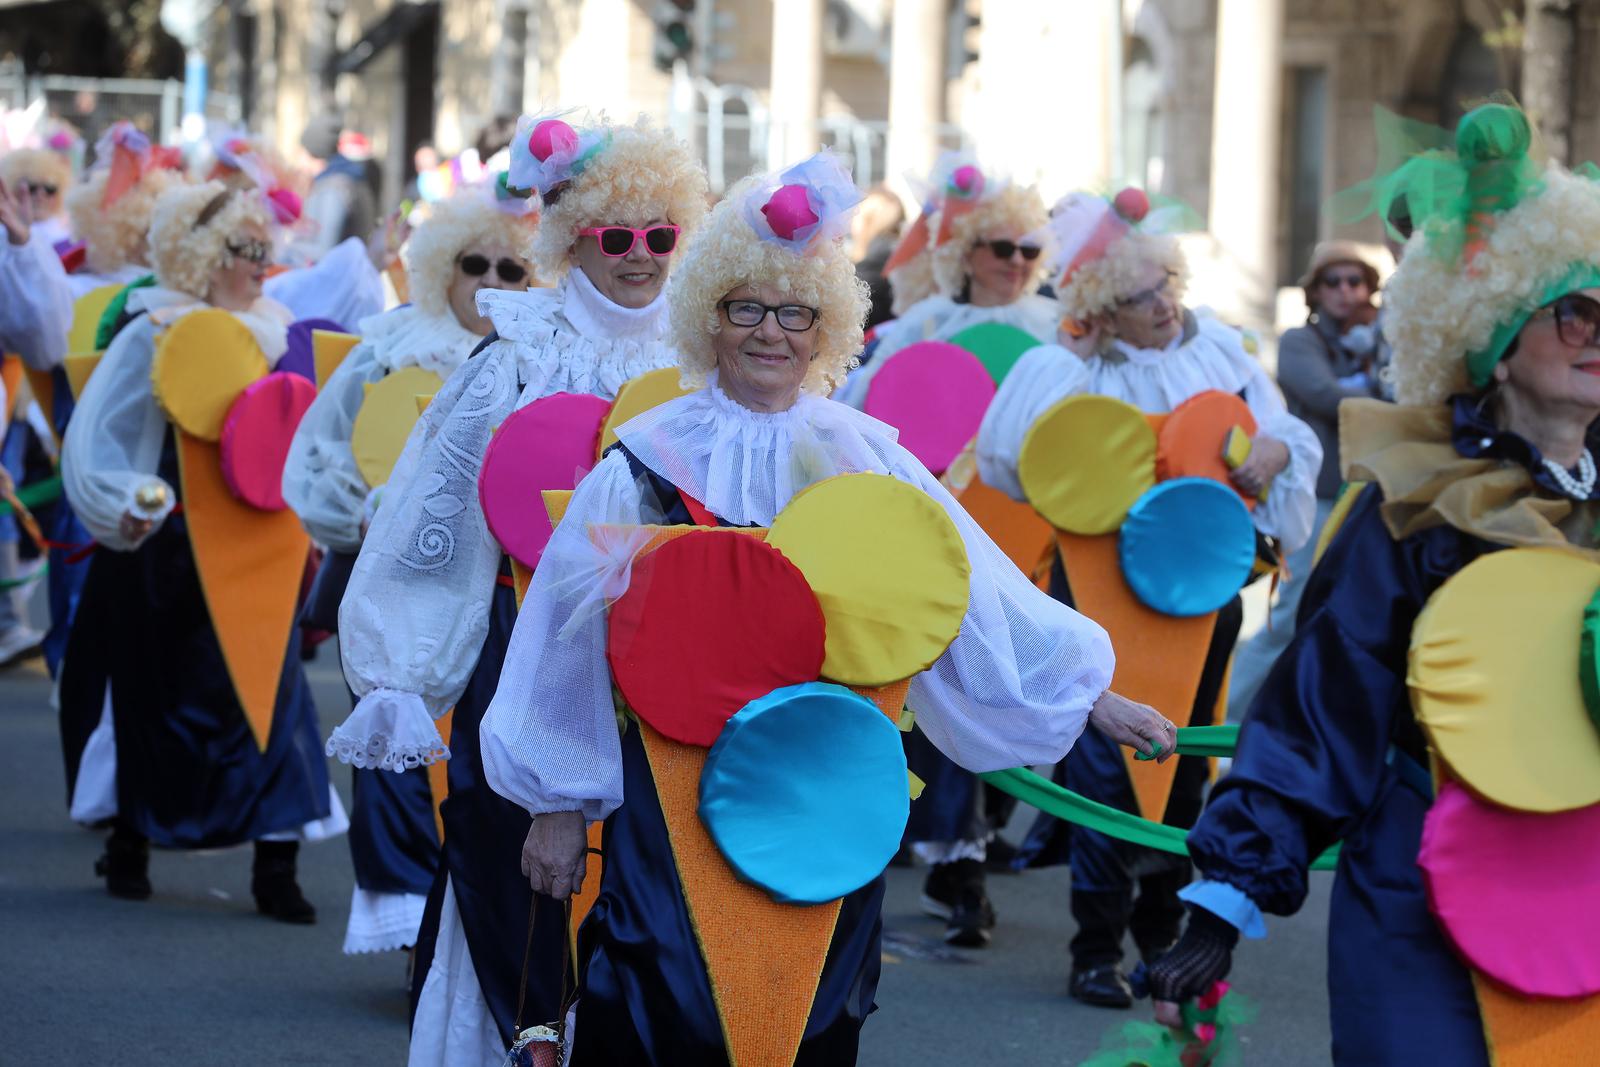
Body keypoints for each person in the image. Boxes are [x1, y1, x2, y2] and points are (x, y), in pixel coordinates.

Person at [476, 150, 1176, 1064]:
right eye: (746, 309)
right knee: (660, 1001)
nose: (770, 332)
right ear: (708, 319)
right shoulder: (641, 461)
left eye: (795, 312)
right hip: (673, 781)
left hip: (830, 779)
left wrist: (1093, 696)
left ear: (826, 327)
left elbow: (973, 588)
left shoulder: (867, 456)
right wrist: (558, 802)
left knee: (814, 1013)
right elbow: (563, 640)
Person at [1146, 103, 1600, 1065]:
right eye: (1576, 311)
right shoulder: (1417, 505)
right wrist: (1227, 892)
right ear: (1495, 335)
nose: (1597, 335)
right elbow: (1322, 704)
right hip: (1424, 878)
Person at [325, 113, 708, 1065]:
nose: (641, 256)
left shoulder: (704, 362)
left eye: (661, 236)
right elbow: (434, 515)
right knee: (517, 877)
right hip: (525, 639)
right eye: (619, 235)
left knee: (648, 890)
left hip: (668, 656)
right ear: (573, 236)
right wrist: (404, 672)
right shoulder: (516, 357)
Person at [976, 186, 1321, 1008]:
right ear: (1101, 303)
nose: (1162, 306)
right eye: (1137, 297)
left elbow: (1286, 435)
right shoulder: (1066, 367)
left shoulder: (1222, 355)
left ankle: (1164, 938)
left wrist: (1271, 451)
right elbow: (1007, 462)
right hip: (1099, 600)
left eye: (1166, 285)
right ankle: (1094, 947)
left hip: (1205, 597)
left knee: (1188, 768)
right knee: (1104, 773)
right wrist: (1071, 360)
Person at [60, 180, 344, 914]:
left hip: (264, 545)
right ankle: (130, 838)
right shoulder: (154, 329)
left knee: (276, 705)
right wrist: (127, 502)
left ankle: (275, 867)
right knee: (154, 701)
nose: (261, 264)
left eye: (263, 249)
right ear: (203, 256)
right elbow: (101, 436)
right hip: (168, 548)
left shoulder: (282, 331)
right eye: (245, 250)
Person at [282, 184, 538, 957]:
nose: (490, 279)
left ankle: (461, 941)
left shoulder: (545, 361)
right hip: (402, 598)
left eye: (513, 268)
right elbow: (319, 454)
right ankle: (412, 934)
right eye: (473, 262)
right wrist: (366, 510)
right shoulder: (388, 347)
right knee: (397, 762)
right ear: (439, 268)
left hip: (499, 607)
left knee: (483, 777)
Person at [1227, 241, 1385, 718]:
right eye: (1332, 282)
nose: (1344, 291)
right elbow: (1324, 396)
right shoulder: (1300, 342)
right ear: (1315, 292)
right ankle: (1225, 718)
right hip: (1314, 503)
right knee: (1287, 615)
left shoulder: (1379, 342)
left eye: (1354, 281)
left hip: (1365, 498)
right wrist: (1392, 403)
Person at [838, 158, 1055, 400]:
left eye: (1029, 250)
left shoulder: (1056, 323)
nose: (1017, 260)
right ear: (966, 253)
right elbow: (871, 396)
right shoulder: (926, 321)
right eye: (1002, 248)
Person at [295, 115, 379, 262]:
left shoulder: (333, 189)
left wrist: (288, 250)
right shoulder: (345, 179)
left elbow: (325, 251)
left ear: (312, 152)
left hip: (337, 279)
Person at [850, 182, 904, 329]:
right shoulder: (906, 263)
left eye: (856, 215)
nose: (851, 224)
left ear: (869, 221)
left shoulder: (868, 272)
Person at [0, 146, 71, 246]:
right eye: (31, 187)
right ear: (13, 191)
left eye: (49, 189)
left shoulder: (68, 240)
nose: (40, 195)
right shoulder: (4, 236)